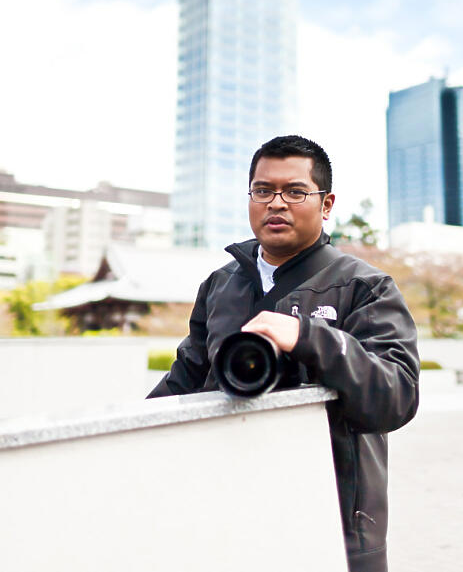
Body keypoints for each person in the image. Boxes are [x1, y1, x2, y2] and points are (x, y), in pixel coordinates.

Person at [148, 134, 419, 572]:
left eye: (295, 192)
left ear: (326, 203)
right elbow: (185, 380)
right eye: (263, 190)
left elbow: (397, 396)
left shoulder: (365, 287)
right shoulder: (220, 285)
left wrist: (307, 338)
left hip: (336, 521)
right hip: (227, 508)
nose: (276, 203)